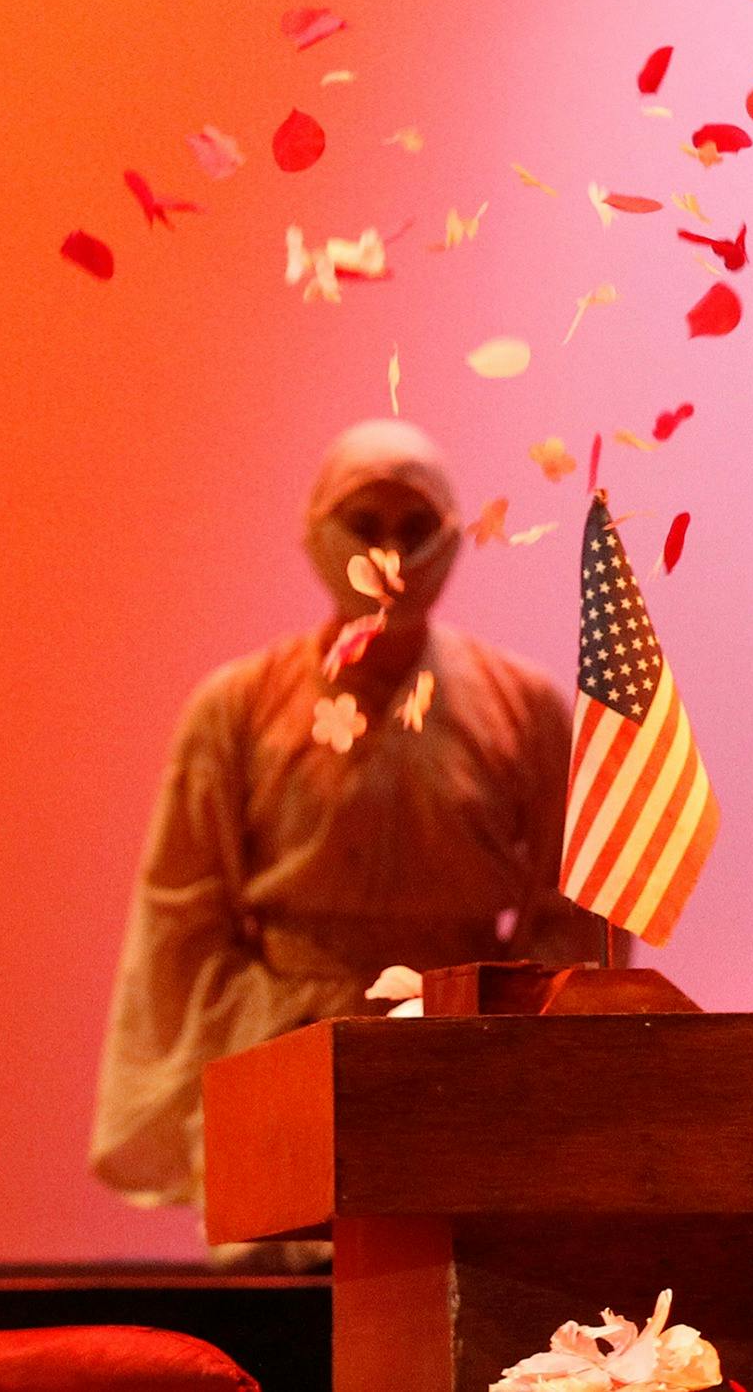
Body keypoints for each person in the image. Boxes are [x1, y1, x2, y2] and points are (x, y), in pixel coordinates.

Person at [90, 419, 606, 1233]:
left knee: (445, 1289)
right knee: (280, 1298)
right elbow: (180, 920)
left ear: (452, 536)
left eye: (416, 528)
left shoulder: (523, 706)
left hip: (458, 1065)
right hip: (281, 1053)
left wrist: (521, 1063)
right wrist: (233, 1068)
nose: (391, 554)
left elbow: (573, 911)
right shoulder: (237, 706)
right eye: (365, 527)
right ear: (317, 531)